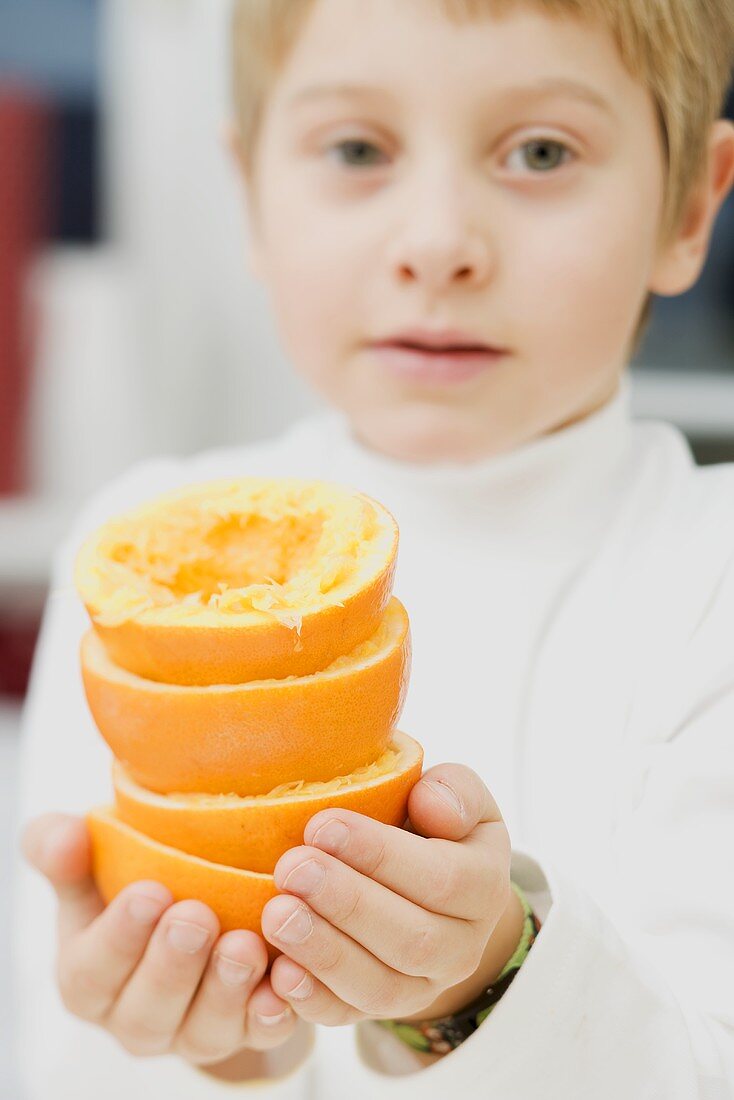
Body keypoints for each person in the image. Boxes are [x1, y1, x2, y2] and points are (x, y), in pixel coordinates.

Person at [14, 0, 734, 1096]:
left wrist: (482, 983)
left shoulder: (707, 577)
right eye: (356, 149)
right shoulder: (128, 563)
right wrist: (220, 1048)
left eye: (539, 151)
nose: (436, 244)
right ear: (249, 191)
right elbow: (51, 1054)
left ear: (688, 207)